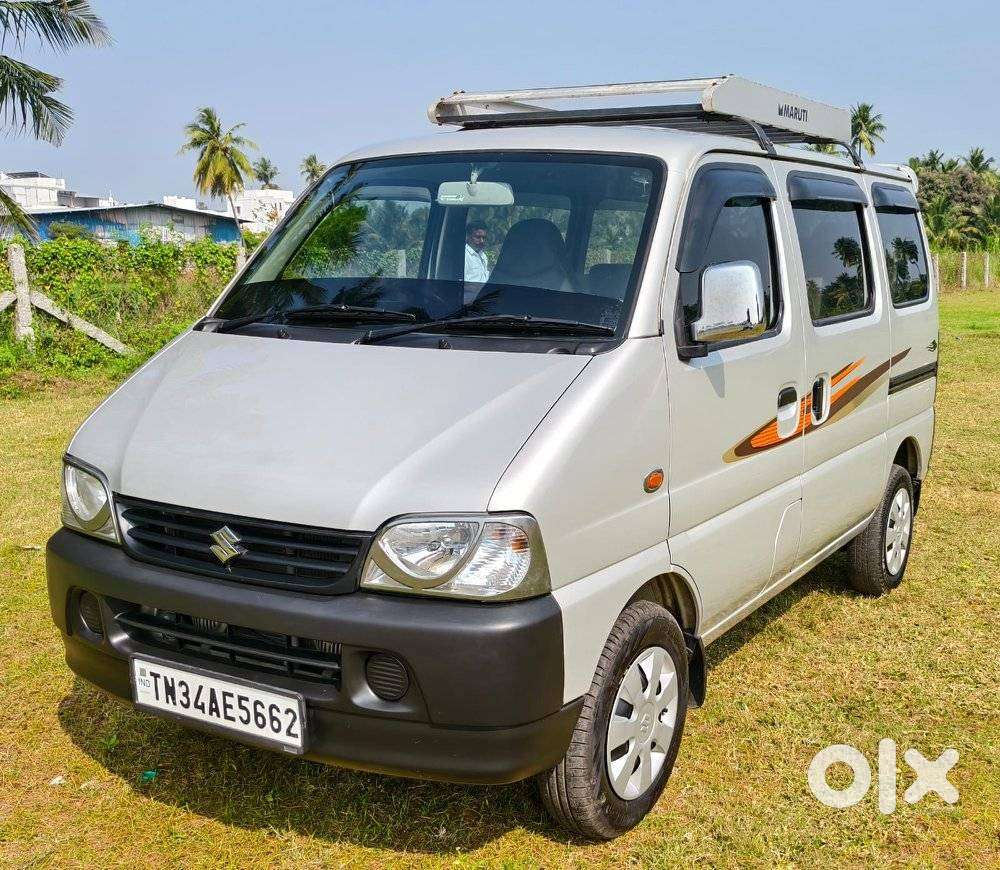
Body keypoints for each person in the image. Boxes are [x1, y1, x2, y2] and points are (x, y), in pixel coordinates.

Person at [464, 222, 490, 291]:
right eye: (478, 237)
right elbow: (460, 284)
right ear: (468, 236)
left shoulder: (483, 256)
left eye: (484, 237)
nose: (482, 241)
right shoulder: (464, 256)